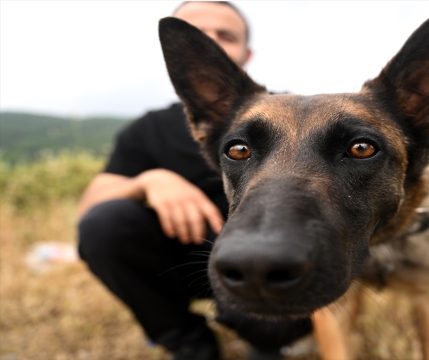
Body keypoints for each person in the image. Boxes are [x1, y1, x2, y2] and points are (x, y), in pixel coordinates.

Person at [76, 2, 312, 360]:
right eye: (198, 34)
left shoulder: (293, 115)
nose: (212, 43)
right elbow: (90, 206)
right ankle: (187, 341)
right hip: (184, 258)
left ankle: (272, 337)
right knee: (103, 224)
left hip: (277, 252)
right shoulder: (149, 130)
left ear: (247, 53)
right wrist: (151, 181)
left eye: (226, 35)